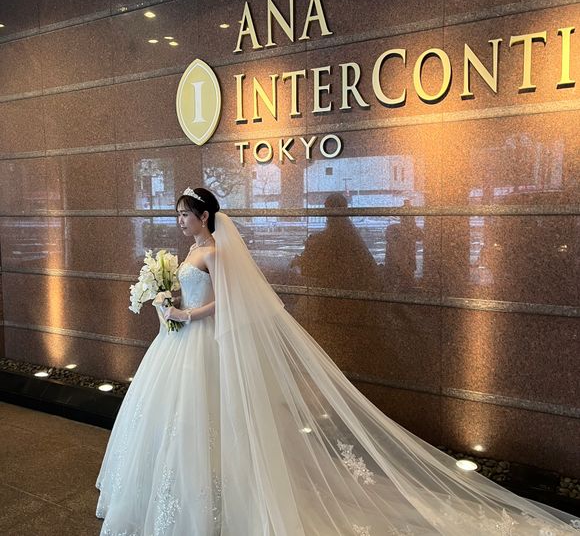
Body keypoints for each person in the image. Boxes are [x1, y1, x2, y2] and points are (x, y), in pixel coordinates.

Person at [96, 187, 580, 535]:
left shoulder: (217, 251)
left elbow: (226, 302)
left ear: (204, 216)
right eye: (179, 214)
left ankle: (222, 499)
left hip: (202, 340)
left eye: (185, 214)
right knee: (182, 422)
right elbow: (191, 291)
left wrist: (184, 312)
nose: (180, 220)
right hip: (179, 344)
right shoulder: (192, 249)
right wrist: (166, 300)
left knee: (212, 418)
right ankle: (191, 495)